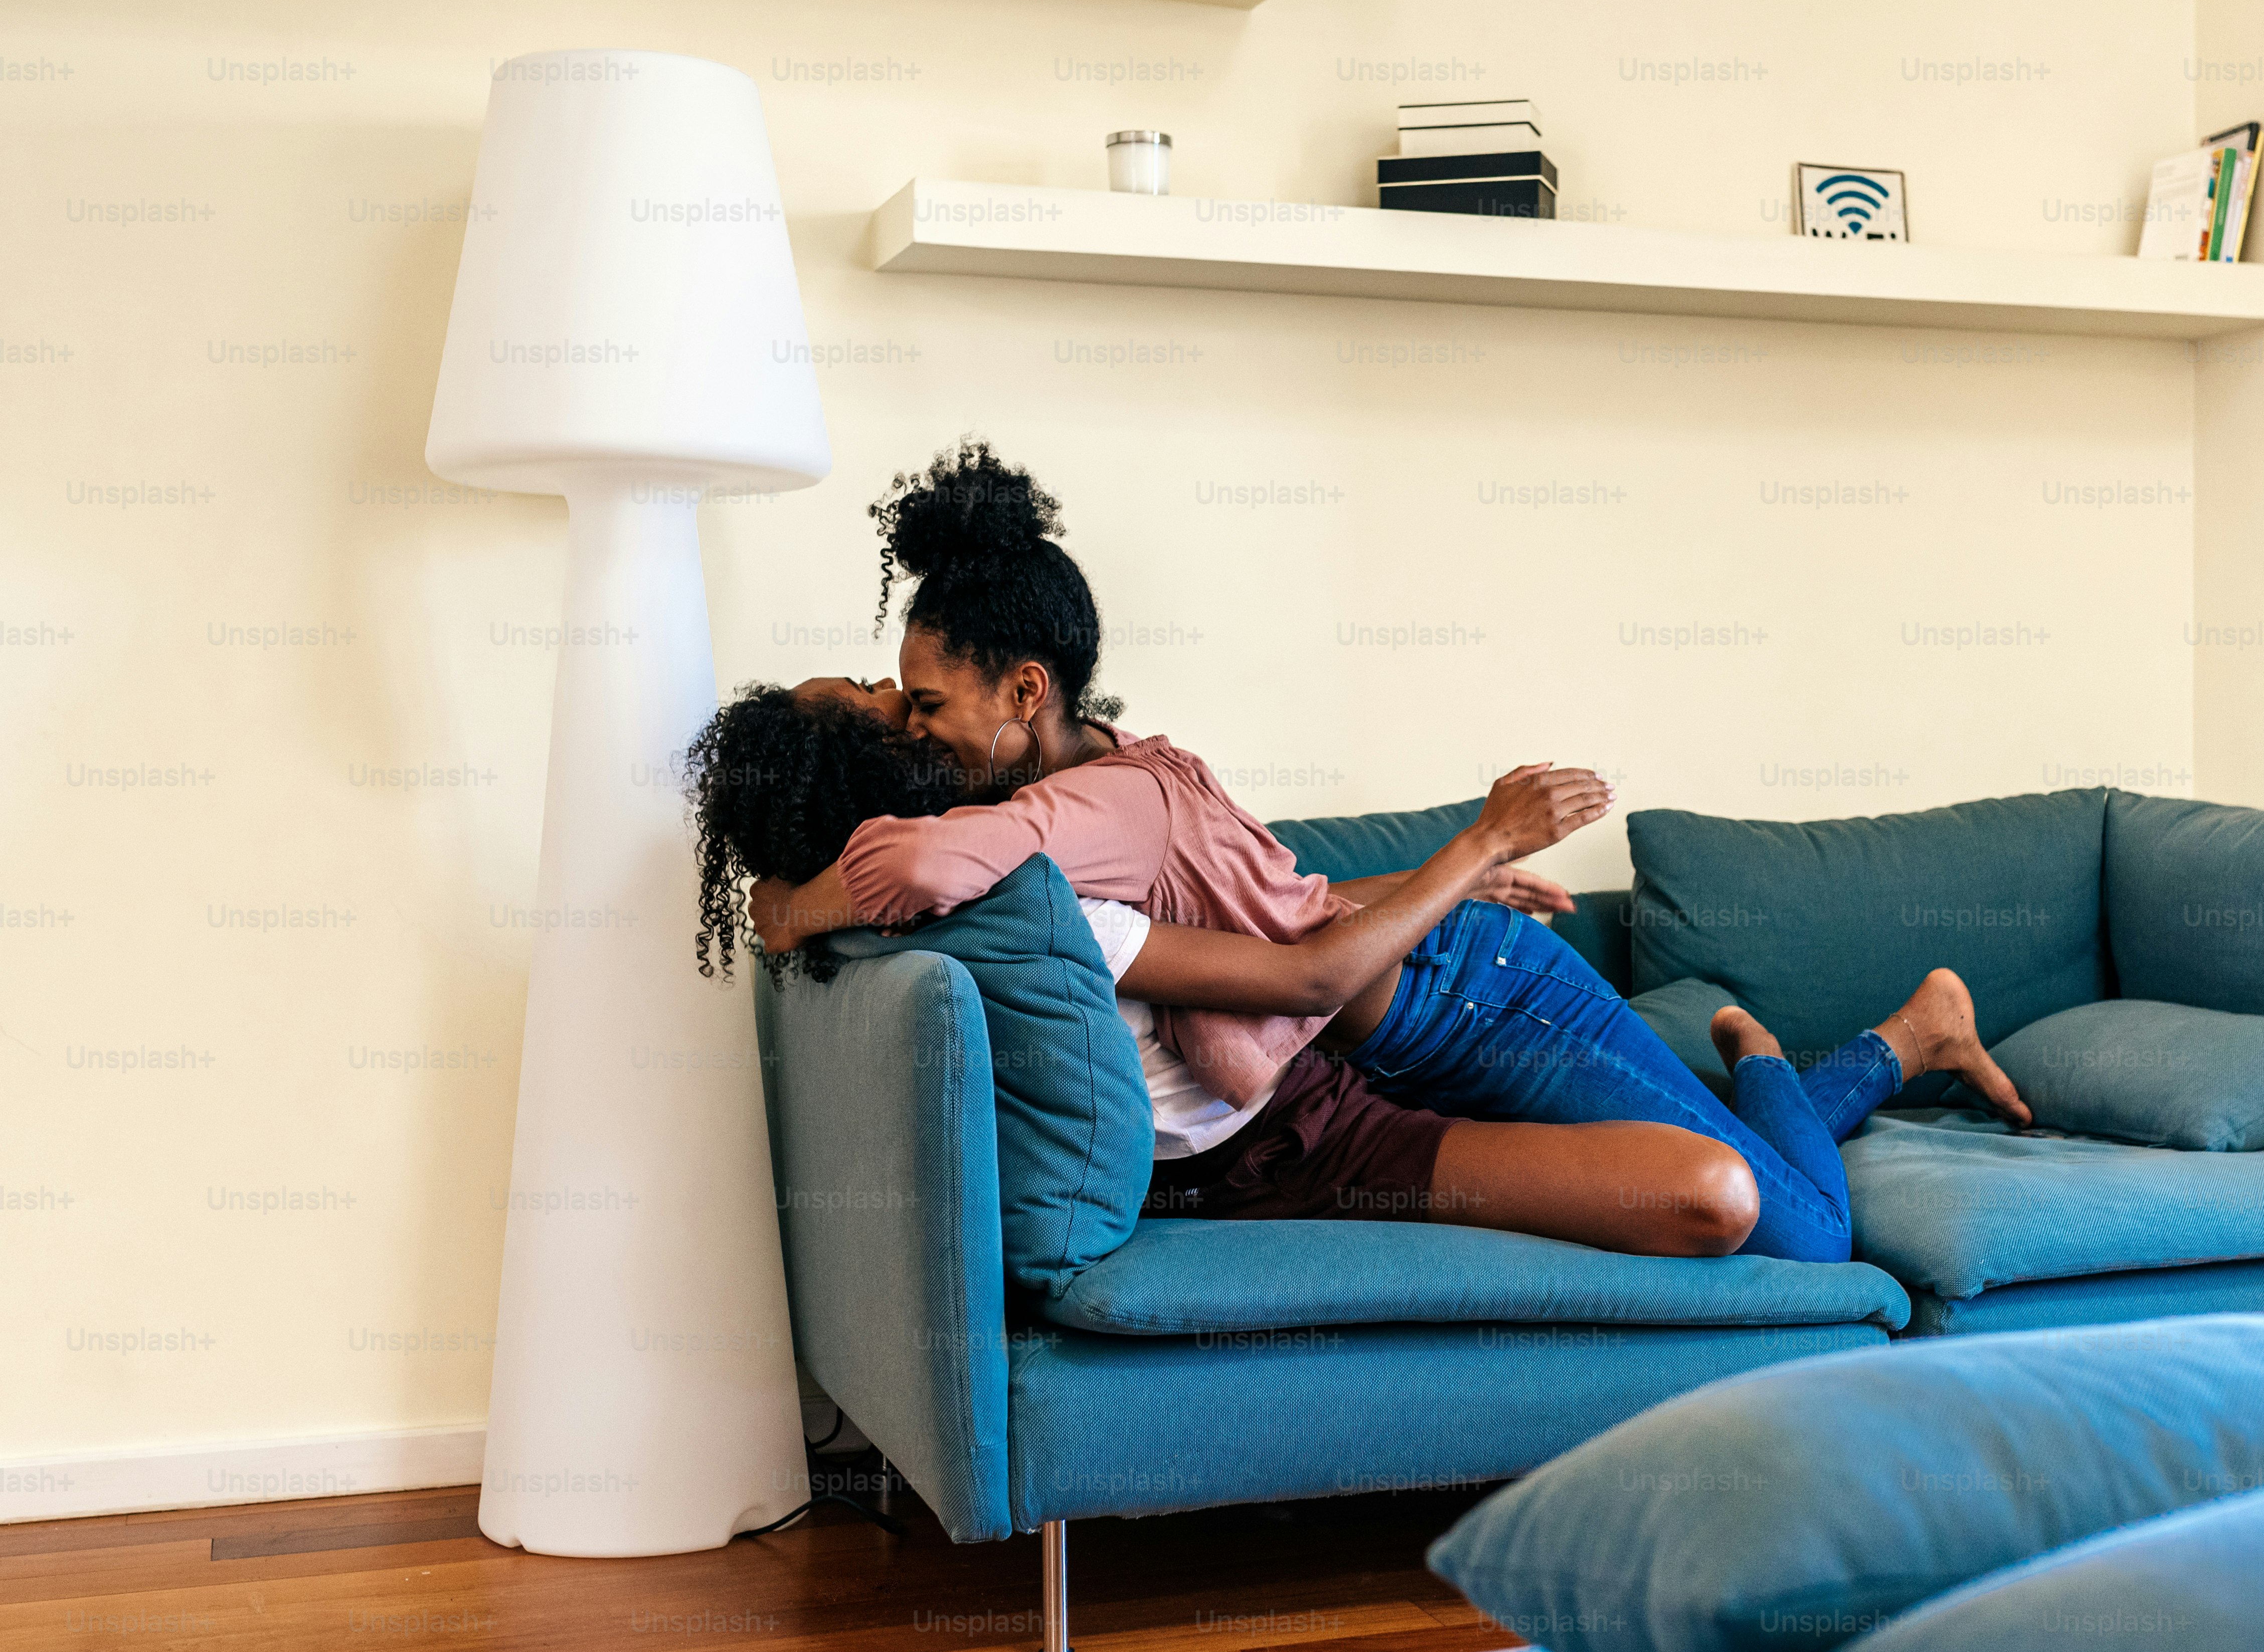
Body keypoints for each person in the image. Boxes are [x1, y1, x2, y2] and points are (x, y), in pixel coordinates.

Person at [742, 440, 2031, 1265]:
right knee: (1747, 1207)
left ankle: (1843, 1050)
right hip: (1393, 1022)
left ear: (1026, 691)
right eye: (894, 714)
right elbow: (1271, 913)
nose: (914, 732)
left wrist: (1470, 855)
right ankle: (1851, 1054)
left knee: (1799, 1231)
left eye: (923, 704)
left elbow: (931, 872)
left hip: (1467, 1000)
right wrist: (1441, 878)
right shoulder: (1051, 834)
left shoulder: (1067, 816)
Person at [690, 684, 1760, 1257]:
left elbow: (1277, 925)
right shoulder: (1001, 900)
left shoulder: (969, 876)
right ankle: (1783, 1057)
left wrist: (790, 904)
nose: (897, 690)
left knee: (1722, 1176)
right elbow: (1300, 977)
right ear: (869, 777)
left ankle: (1779, 1058)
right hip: (1315, 1121)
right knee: (1713, 1192)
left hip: (1337, 1064)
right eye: (886, 704)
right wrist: (1477, 846)